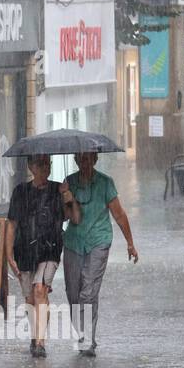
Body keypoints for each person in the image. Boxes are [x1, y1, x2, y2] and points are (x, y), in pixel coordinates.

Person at [62, 151, 139, 356]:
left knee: (88, 291)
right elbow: (66, 216)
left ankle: (87, 339)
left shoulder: (105, 183)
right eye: (81, 159)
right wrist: (67, 198)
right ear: (76, 161)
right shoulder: (69, 182)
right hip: (73, 243)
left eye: (89, 159)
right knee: (73, 293)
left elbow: (119, 214)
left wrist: (130, 243)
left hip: (98, 240)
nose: (85, 163)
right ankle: (81, 334)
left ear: (95, 160)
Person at [5, 154, 80, 357]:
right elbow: (11, 224)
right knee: (30, 298)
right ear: (30, 166)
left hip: (50, 248)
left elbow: (73, 218)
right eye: (40, 163)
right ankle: (35, 334)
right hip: (25, 251)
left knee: (40, 291)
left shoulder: (58, 189)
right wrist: (8, 253)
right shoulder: (21, 192)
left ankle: (40, 342)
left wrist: (68, 198)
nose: (45, 167)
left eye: (48, 163)